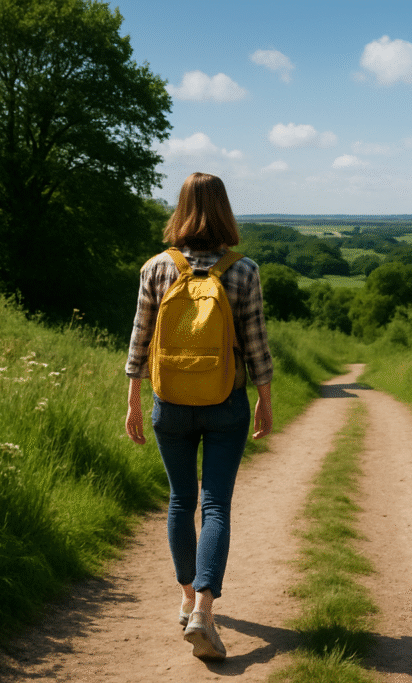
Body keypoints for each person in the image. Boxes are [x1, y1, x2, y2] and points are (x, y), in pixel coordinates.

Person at [124, 172, 274, 661]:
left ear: (180, 209)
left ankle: (186, 598)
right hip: (224, 402)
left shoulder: (155, 269)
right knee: (215, 505)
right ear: (224, 211)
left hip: (169, 402)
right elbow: (255, 344)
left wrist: (133, 399)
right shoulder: (243, 270)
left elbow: (140, 339)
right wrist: (265, 398)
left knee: (179, 500)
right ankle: (205, 610)